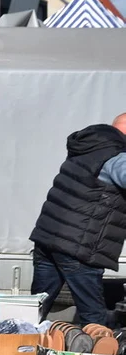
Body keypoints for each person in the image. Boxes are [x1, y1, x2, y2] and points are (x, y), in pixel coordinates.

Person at [30, 114, 126, 325]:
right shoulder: (117, 156)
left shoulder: (90, 148)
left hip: (49, 238)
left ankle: (17, 347)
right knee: (93, 316)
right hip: (78, 246)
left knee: (35, 308)